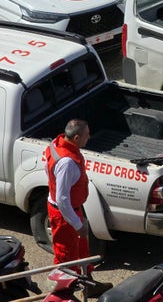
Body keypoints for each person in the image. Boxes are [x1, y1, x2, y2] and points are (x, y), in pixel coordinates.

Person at [45, 119, 112, 298]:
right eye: (87, 135)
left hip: (71, 210)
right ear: (75, 137)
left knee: (82, 250)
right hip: (65, 213)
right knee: (66, 257)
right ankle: (64, 296)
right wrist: (76, 223)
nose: (89, 137)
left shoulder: (57, 144)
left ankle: (88, 285)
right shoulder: (66, 163)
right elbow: (62, 199)